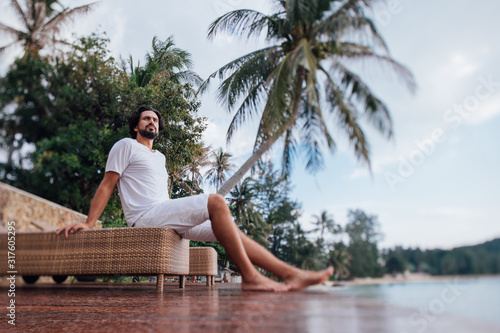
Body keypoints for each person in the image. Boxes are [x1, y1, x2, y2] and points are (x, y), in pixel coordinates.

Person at [56, 106, 333, 291]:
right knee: (216, 202)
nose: (152, 122)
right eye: (146, 119)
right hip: (145, 217)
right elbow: (107, 185)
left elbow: (162, 195)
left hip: (165, 214)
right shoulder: (125, 146)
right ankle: (250, 277)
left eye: (155, 120)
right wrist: (90, 223)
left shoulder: (160, 157)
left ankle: (290, 273)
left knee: (230, 231)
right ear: (135, 127)